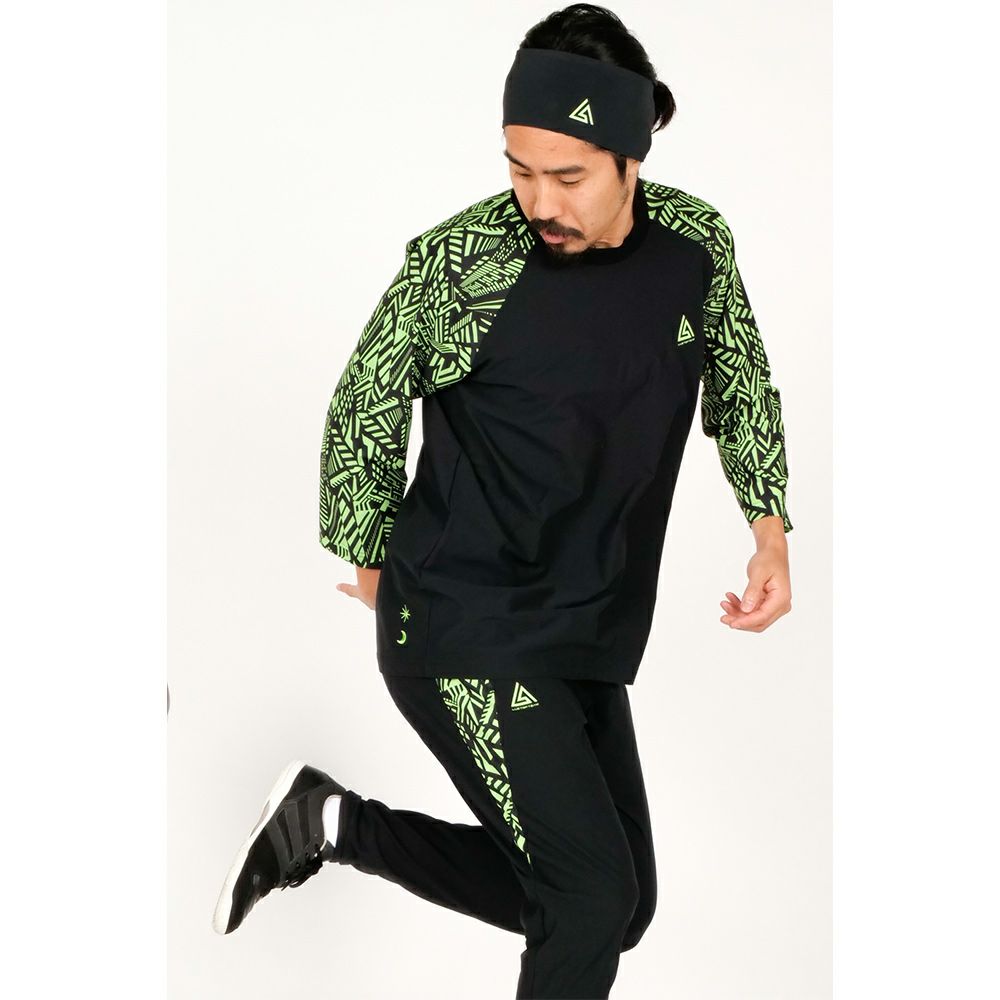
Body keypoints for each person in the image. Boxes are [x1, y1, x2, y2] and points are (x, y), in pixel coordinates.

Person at [213, 5, 794, 997]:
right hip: (465, 617)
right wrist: (372, 558)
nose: (538, 200)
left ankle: (329, 822)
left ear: (631, 157)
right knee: (587, 898)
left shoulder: (693, 246)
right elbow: (364, 400)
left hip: (586, 626)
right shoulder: (464, 265)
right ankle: (332, 821)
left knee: (618, 905)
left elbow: (739, 379)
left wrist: (768, 530)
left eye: (567, 175)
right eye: (520, 170)